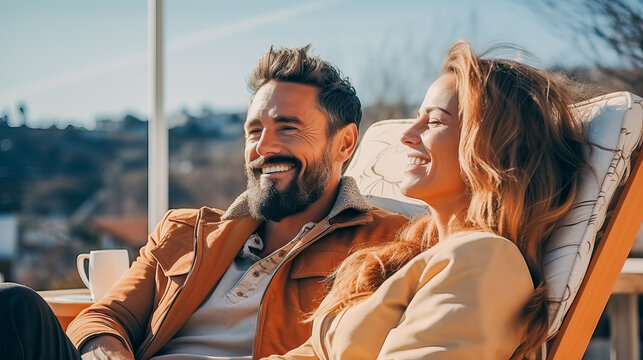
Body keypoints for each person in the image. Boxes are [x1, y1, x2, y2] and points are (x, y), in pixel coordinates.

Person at [0, 46, 407, 360]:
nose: (262, 147)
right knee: (13, 306)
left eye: (287, 128)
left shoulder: (385, 244)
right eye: (253, 131)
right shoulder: (184, 233)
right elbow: (105, 316)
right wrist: (106, 350)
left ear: (345, 142)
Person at [265, 41, 588, 360]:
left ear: (491, 149)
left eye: (434, 121)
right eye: (417, 117)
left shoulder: (487, 260)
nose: (407, 134)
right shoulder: (402, 258)